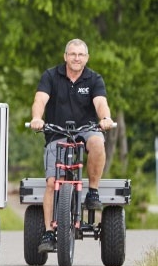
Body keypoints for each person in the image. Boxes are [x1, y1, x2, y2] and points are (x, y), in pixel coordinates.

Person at [28, 39, 114, 253]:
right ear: (65, 56)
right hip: (57, 131)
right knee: (51, 183)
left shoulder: (94, 79)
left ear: (87, 58)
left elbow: (100, 102)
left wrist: (105, 118)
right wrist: (37, 118)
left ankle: (92, 192)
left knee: (97, 141)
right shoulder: (51, 76)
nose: (77, 58)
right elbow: (40, 99)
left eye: (81, 55)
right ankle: (49, 232)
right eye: (73, 54)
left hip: (86, 129)